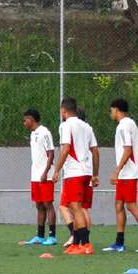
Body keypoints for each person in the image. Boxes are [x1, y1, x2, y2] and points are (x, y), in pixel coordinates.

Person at [51, 98, 97, 255]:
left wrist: (56, 170)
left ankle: (86, 244)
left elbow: (65, 149)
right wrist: (95, 174)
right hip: (87, 172)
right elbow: (95, 151)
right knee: (77, 207)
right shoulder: (87, 127)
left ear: (64, 111)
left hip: (74, 173)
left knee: (75, 208)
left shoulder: (65, 125)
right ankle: (76, 243)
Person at [105, 99, 138, 253]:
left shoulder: (124, 125)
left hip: (127, 173)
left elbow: (128, 149)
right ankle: (119, 243)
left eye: (111, 110)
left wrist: (117, 170)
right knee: (119, 205)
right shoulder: (130, 124)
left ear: (117, 109)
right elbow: (137, 149)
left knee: (131, 205)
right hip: (128, 172)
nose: (111, 113)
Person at [20, 109, 57, 246]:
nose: (24, 123)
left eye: (25, 120)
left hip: (44, 176)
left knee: (48, 204)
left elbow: (51, 153)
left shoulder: (44, 132)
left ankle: (52, 236)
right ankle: (40, 236)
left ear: (31, 119)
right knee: (39, 205)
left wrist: (46, 172)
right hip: (35, 175)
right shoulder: (33, 134)